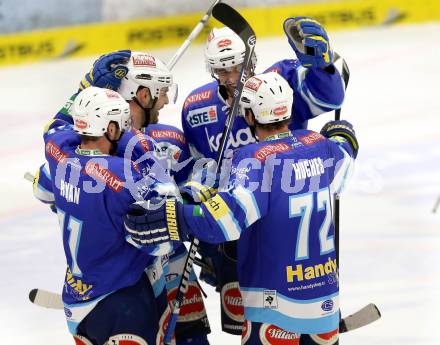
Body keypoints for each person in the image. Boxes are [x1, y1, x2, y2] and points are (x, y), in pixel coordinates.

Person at [124, 71, 359, 345]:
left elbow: (225, 220)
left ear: (249, 116)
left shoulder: (255, 159)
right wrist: (344, 136)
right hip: (325, 305)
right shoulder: (320, 145)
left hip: (274, 307)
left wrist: (174, 216)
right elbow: (344, 157)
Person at [180, 17, 346, 334]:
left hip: (283, 222)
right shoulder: (195, 107)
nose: (230, 78)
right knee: (245, 325)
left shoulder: (278, 83)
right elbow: (196, 165)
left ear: (251, 60)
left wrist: (321, 66)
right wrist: (201, 193)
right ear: (211, 69)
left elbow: (329, 98)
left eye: (237, 67)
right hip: (231, 223)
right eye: (222, 70)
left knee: (275, 318)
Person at [52, 50, 210, 344]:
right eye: (160, 92)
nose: (164, 100)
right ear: (142, 94)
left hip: (97, 283)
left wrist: (86, 87)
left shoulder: (66, 149)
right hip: (132, 280)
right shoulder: (133, 156)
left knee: (191, 333)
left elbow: (50, 172)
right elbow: (168, 204)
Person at [34, 86, 175, 345]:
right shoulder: (124, 174)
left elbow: (56, 127)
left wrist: (85, 85)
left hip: (78, 303)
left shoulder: (59, 153)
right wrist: (146, 154)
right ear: (110, 130)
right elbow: (166, 230)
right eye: (120, 128)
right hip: (122, 301)